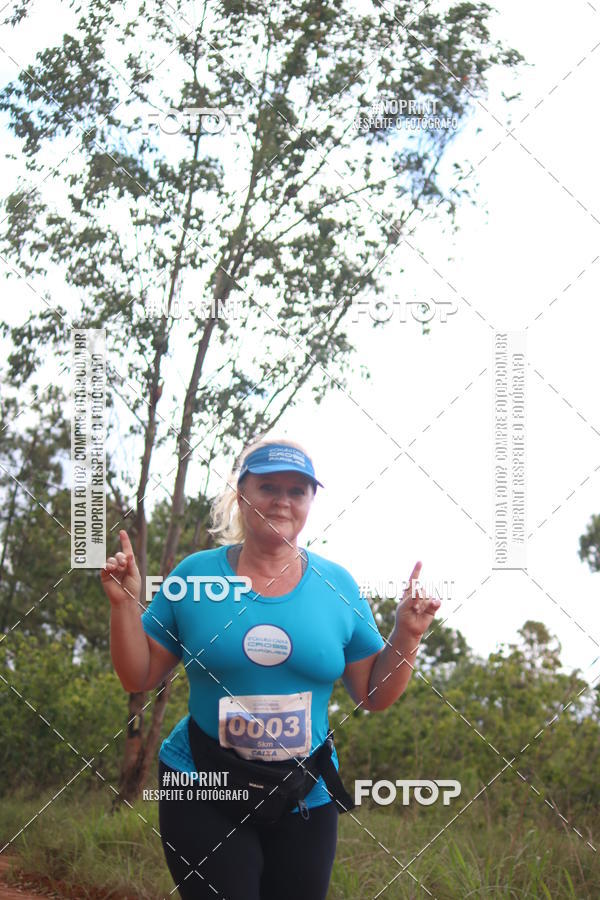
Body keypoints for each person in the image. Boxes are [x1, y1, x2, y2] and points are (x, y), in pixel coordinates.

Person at [102, 437, 441, 899]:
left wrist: (406, 635)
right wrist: (123, 606)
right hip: (204, 782)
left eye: (297, 491)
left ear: (310, 502)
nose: (283, 500)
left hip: (305, 790)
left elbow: (374, 695)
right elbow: (137, 676)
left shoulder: (336, 586)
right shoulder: (195, 578)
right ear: (242, 494)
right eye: (269, 487)